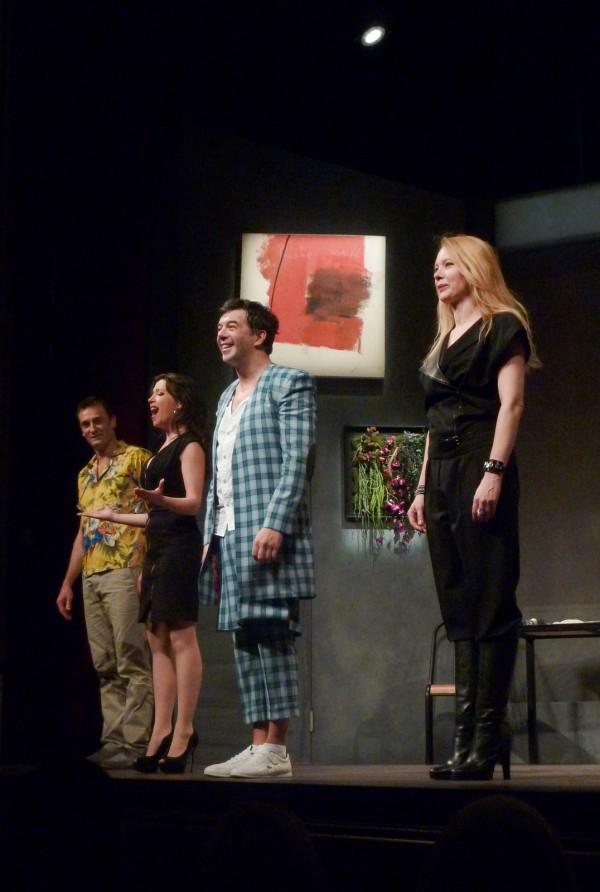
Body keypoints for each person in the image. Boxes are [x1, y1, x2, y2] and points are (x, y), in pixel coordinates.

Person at [407, 234, 539, 782]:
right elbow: (433, 424)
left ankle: (488, 734)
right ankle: (465, 741)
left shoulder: (502, 325)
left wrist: (493, 471)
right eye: (435, 266)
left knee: (490, 602)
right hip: (441, 475)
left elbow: (512, 404)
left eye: (448, 264)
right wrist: (421, 489)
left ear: (473, 267)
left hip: (480, 463)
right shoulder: (442, 340)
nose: (437, 273)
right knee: (458, 607)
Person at [199, 298, 316, 779]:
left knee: (272, 632)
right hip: (229, 531)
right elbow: (220, 473)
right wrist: (211, 532)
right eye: (218, 327)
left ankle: (278, 747)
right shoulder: (227, 396)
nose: (221, 333)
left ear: (259, 335)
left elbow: (297, 459)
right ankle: (257, 745)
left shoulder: (288, 382)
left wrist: (275, 523)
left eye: (232, 325)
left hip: (266, 529)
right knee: (244, 637)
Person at [81, 373, 207, 774]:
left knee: (181, 637)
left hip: (179, 548)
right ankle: (160, 731)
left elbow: (193, 503)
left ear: (179, 402)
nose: (151, 399)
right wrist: (113, 516)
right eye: (151, 392)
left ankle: (184, 731)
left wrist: (160, 500)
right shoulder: (160, 449)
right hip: (155, 549)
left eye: (160, 393)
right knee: (156, 640)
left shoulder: (190, 446)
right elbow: (153, 514)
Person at [57, 396, 154, 769]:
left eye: (97, 421)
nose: (92, 429)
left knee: (131, 657)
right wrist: (68, 582)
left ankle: (136, 743)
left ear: (112, 421)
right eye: (85, 424)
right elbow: (84, 531)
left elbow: (156, 513)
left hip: (126, 567)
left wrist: (148, 566)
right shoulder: (84, 474)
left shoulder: (136, 459)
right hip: (92, 574)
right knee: (104, 663)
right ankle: (113, 741)